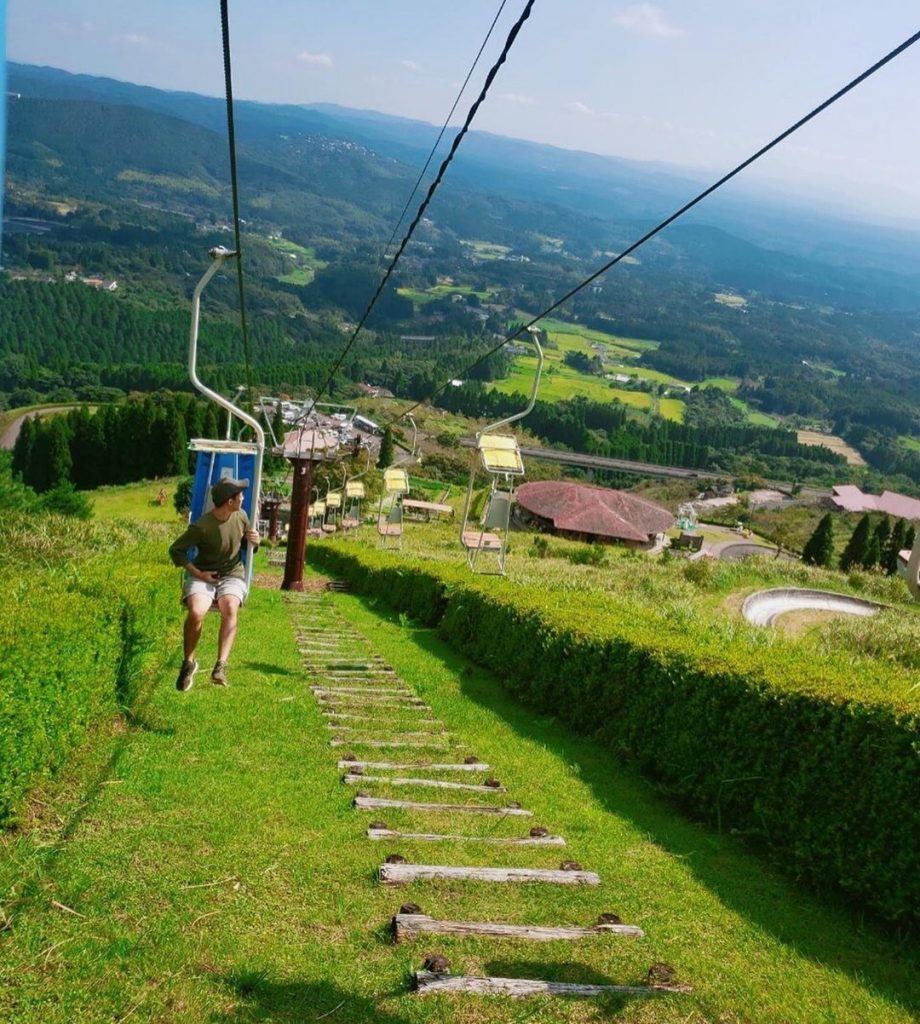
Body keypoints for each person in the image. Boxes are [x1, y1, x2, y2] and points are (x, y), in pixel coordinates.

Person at [169, 478, 260, 691]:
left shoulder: (242, 516)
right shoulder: (202, 526)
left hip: (231, 574)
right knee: (196, 612)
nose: (243, 498)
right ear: (230, 501)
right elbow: (176, 550)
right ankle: (188, 663)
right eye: (240, 496)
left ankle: (220, 665)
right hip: (205, 574)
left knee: (229, 607)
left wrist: (254, 542)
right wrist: (199, 573)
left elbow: (250, 549)